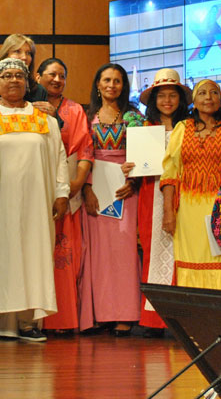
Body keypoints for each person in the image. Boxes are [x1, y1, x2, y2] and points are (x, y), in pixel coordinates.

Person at [0, 58, 69, 342]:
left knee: (32, 257)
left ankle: (27, 322)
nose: (13, 80)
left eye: (19, 75)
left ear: (28, 83)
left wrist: (62, 193)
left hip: (36, 203)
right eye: (6, 75)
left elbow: (59, 156)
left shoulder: (44, 115)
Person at [79, 63, 144, 335]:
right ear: (97, 83)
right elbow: (80, 154)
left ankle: (125, 315)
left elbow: (144, 153)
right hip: (94, 189)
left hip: (125, 191)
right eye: (106, 79)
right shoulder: (85, 115)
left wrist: (134, 180)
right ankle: (99, 313)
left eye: (117, 81)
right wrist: (86, 189)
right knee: (97, 254)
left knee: (124, 254)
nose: (112, 85)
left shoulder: (134, 116)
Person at [128, 68, 191, 337]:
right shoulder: (144, 129)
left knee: (183, 252)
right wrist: (129, 168)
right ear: (153, 100)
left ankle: (182, 319)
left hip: (186, 194)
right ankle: (154, 320)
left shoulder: (189, 127)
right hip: (151, 192)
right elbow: (137, 166)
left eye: (172, 95)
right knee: (153, 252)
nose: (167, 101)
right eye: (162, 95)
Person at [160, 79, 221, 291]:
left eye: (214, 92)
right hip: (188, 209)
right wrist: (168, 211)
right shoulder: (182, 128)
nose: (208, 97)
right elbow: (170, 173)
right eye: (202, 93)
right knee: (189, 260)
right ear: (194, 100)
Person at [35, 58, 92, 334]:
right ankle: (34, 320)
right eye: (51, 74)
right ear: (38, 77)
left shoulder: (75, 110)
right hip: (35, 188)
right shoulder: (27, 106)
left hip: (68, 189)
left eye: (62, 75)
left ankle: (64, 320)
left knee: (66, 255)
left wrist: (78, 182)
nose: (57, 80)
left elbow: (84, 148)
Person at [0, 34, 48, 103]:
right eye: (17, 51)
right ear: (5, 55)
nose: (24, 57)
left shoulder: (39, 90)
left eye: (28, 53)